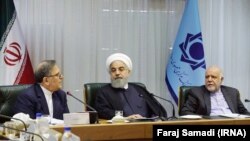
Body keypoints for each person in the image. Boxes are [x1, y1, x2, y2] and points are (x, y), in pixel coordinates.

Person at [94, 53, 167, 120]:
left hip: (146, 126)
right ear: (110, 73)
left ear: (128, 72)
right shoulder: (103, 92)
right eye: (113, 70)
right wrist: (124, 118)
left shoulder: (139, 89)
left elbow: (157, 110)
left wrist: (153, 119)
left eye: (121, 69)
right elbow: (102, 112)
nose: (117, 73)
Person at [180, 66, 249, 116]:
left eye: (213, 77)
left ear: (221, 79)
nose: (209, 80)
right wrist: (204, 120)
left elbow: (244, 112)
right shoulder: (196, 92)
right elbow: (185, 112)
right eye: (207, 77)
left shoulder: (233, 92)